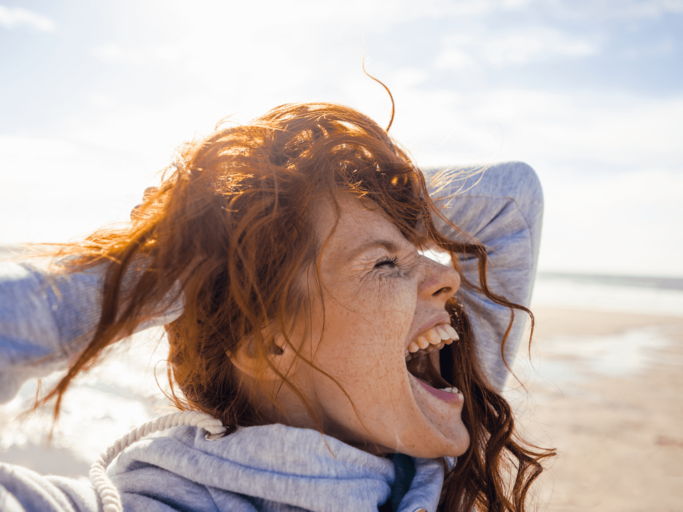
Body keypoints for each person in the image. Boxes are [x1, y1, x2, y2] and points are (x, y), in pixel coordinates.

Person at [0, 102, 553, 512]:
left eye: (421, 251)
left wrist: (325, 195)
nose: (446, 277)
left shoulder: (440, 471)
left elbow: (511, 202)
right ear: (268, 344)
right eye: (385, 264)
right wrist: (175, 260)